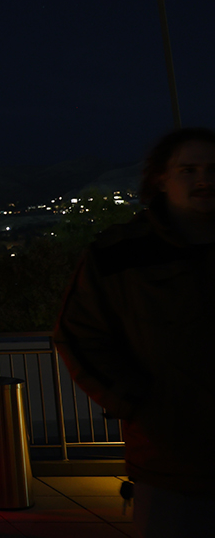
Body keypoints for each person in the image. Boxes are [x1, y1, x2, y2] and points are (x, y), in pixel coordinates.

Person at [54, 127, 215, 536]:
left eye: (213, 169)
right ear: (160, 178)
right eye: (189, 169)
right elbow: (78, 335)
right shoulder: (118, 255)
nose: (204, 180)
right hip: (169, 464)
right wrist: (138, 403)